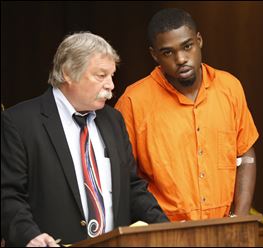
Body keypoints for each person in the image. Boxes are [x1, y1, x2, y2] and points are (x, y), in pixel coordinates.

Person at [1, 32, 169, 247]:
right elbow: (8, 193)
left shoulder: (113, 119)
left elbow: (132, 187)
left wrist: (165, 228)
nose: (110, 85)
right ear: (69, 73)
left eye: (111, 76)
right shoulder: (19, 122)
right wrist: (28, 236)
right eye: (101, 76)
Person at [115, 8, 258, 222]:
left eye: (187, 46)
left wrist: (239, 218)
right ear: (154, 55)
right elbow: (123, 178)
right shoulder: (133, 102)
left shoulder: (229, 87)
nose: (181, 58)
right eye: (167, 52)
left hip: (223, 228)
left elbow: (245, 154)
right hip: (162, 232)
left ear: (199, 41)